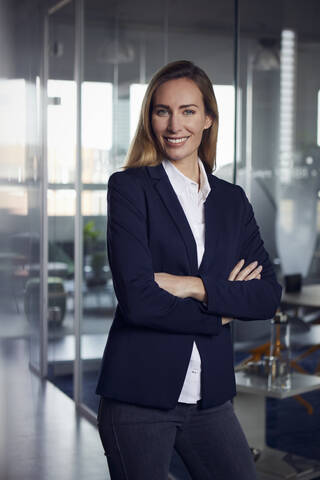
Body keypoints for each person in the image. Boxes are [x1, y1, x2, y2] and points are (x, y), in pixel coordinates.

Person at [95, 60, 282, 480]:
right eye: (162, 111)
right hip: (138, 395)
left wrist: (191, 285)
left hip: (210, 397)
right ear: (150, 118)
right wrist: (222, 308)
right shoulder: (129, 189)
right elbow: (140, 302)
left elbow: (267, 294)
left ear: (208, 118)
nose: (174, 124)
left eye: (188, 111)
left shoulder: (232, 200)